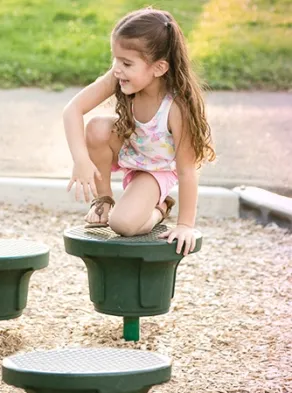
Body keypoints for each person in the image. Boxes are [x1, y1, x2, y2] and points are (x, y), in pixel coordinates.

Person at [63, 7, 215, 256]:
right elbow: (73, 110)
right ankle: (104, 199)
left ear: (158, 68)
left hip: (156, 171)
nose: (117, 69)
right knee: (97, 128)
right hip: (132, 151)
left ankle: (160, 207)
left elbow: (187, 171)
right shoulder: (119, 77)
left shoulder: (176, 108)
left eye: (126, 63)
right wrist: (80, 159)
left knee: (122, 224)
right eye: (115, 59)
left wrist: (185, 225)